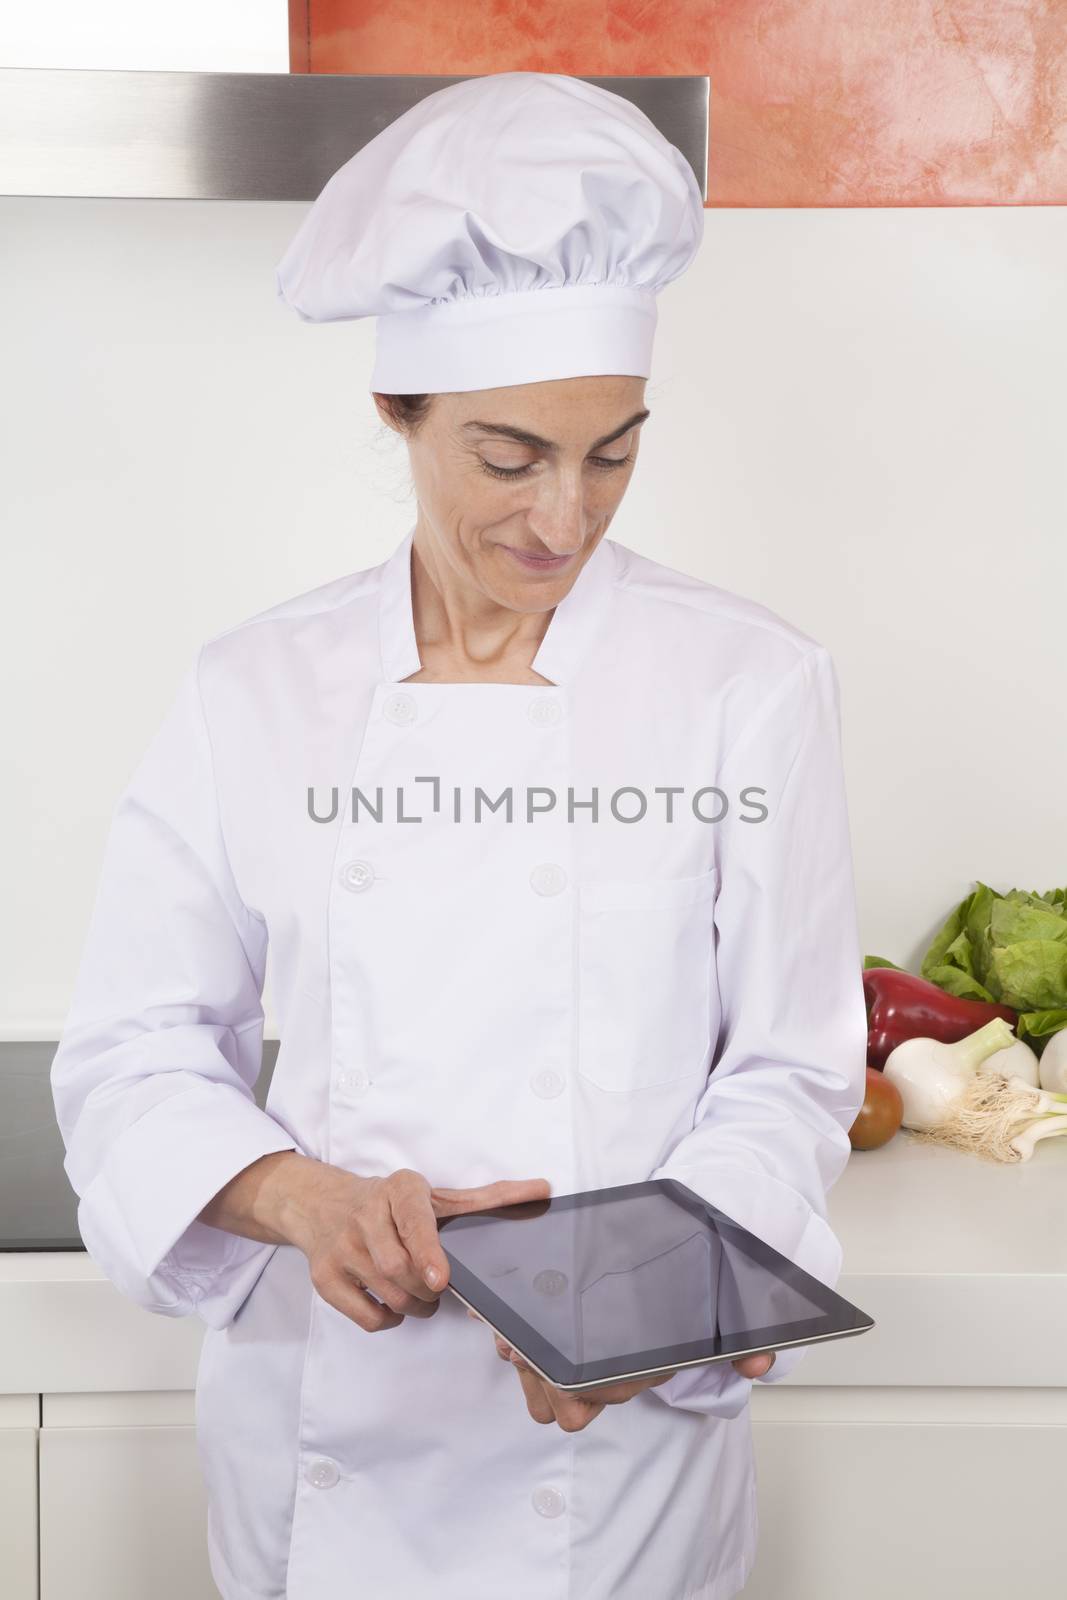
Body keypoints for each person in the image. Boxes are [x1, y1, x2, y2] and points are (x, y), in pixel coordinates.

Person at [50, 71, 868, 1600]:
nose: (565, 516)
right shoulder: (256, 689)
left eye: (613, 450)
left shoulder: (747, 684)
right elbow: (134, 1050)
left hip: (615, 1476)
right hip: (322, 1441)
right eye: (508, 457)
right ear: (395, 408)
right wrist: (302, 1199)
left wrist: (648, 1303)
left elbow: (789, 1070)